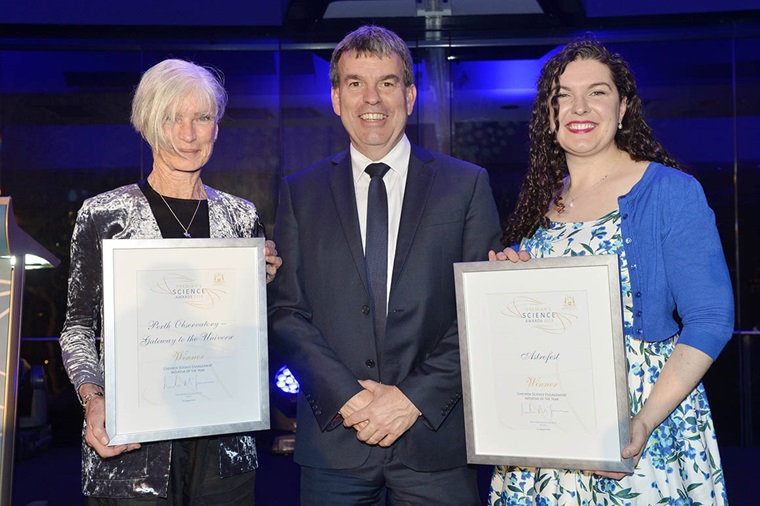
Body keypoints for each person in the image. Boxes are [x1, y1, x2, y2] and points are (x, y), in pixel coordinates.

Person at [487, 39, 734, 504]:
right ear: (548, 114)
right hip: (548, 423)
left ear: (623, 108)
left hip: (640, 421)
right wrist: (509, 282)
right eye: (562, 95)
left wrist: (642, 420)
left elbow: (711, 319)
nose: (579, 107)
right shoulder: (543, 201)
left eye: (597, 92)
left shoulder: (669, 191)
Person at [267, 25, 502, 505]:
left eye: (388, 83)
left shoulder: (466, 186)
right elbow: (287, 310)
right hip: (334, 443)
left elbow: (481, 314)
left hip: (434, 442)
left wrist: (409, 400)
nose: (371, 98)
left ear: (410, 95)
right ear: (336, 98)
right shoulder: (300, 192)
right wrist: (348, 399)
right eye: (355, 83)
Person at [59, 58, 282, 505]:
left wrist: (260, 289)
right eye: (171, 118)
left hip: (224, 450)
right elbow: (77, 327)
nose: (188, 134)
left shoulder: (241, 219)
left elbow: (243, 333)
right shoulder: (104, 216)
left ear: (216, 127)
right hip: (131, 451)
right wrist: (94, 398)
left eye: (202, 117)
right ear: (146, 124)